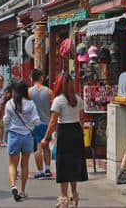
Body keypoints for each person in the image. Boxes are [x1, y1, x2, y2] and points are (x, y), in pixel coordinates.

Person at [41, 74, 88, 208]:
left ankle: (63, 198)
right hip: (76, 132)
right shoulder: (78, 99)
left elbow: (53, 122)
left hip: (65, 132)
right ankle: (74, 193)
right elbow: (82, 119)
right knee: (73, 165)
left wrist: (46, 138)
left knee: (63, 165)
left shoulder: (58, 100)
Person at [4, 80, 40, 202]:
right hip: (27, 136)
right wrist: (31, 126)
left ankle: (14, 185)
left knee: (12, 164)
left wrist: (7, 131)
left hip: (13, 135)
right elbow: (37, 121)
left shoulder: (9, 104)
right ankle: (23, 191)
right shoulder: (30, 104)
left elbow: (6, 121)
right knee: (25, 164)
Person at [29, 69, 53, 178]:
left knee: (38, 147)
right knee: (46, 147)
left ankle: (40, 171)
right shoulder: (49, 91)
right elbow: (53, 108)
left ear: (32, 78)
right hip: (47, 123)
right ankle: (47, 169)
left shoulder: (29, 92)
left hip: (34, 123)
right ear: (41, 77)